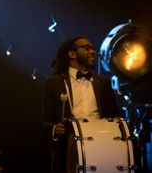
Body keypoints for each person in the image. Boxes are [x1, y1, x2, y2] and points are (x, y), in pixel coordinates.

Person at [40, 36, 120, 173]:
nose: (93, 52)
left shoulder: (103, 83)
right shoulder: (54, 83)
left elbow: (115, 116)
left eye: (92, 48)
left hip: (101, 145)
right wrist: (54, 128)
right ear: (72, 54)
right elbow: (44, 121)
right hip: (69, 147)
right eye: (86, 48)